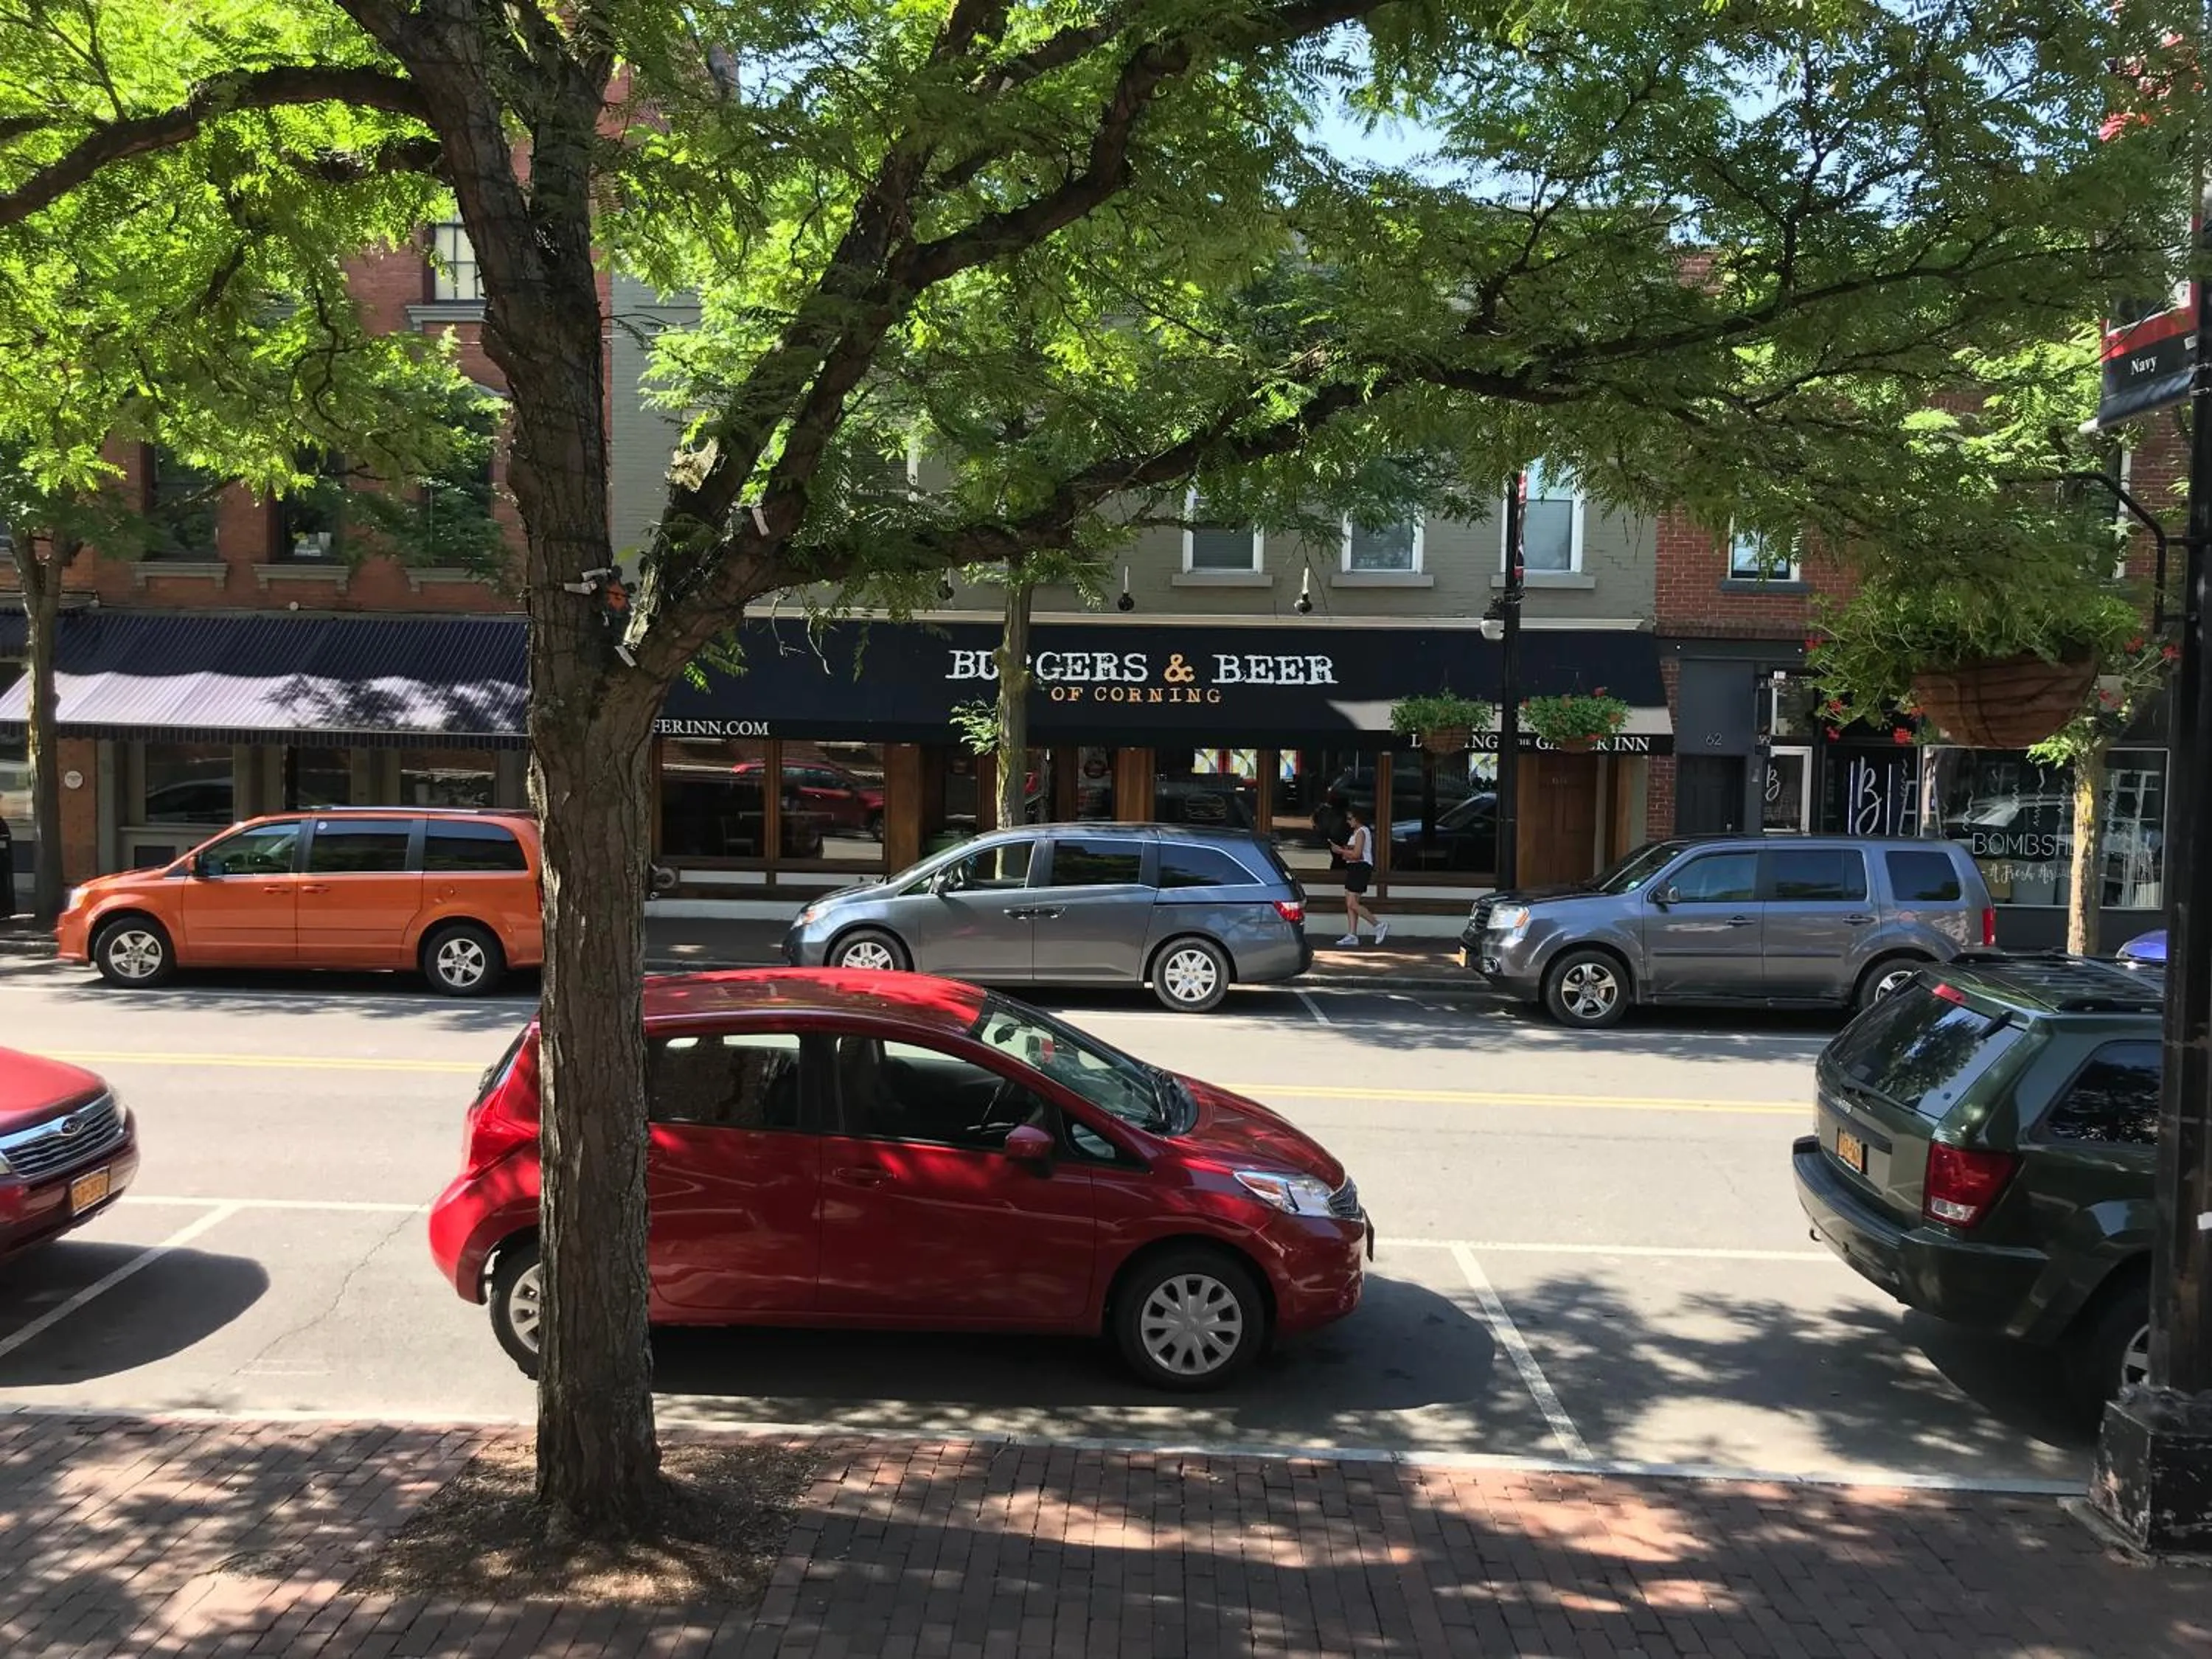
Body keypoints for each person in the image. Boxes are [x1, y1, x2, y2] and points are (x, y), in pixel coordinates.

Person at [1329, 804, 1385, 946]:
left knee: (1352, 903)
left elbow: (1357, 854)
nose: (1348, 821)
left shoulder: (1362, 831)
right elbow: (1350, 855)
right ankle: (1352, 935)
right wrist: (1343, 851)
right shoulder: (1355, 833)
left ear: (1358, 818)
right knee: (1350, 903)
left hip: (1360, 868)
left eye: (1350, 818)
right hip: (1354, 867)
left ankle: (1378, 925)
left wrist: (1341, 851)